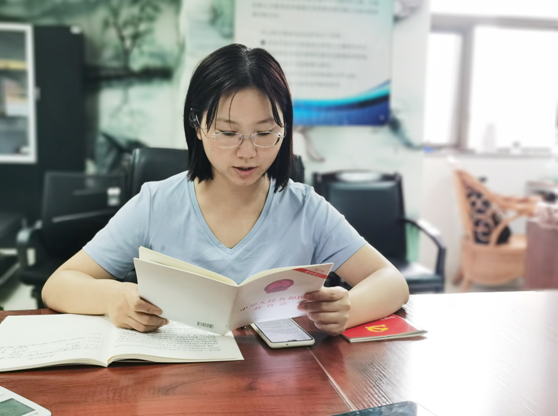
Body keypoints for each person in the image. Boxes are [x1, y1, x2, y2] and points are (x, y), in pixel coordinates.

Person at [42, 44, 409, 336]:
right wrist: (114, 296)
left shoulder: (306, 209)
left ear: (285, 130)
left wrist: (349, 308)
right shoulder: (156, 204)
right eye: (228, 132)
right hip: (176, 384)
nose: (247, 152)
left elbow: (392, 282)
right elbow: (57, 285)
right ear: (198, 127)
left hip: (282, 384)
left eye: (265, 132)